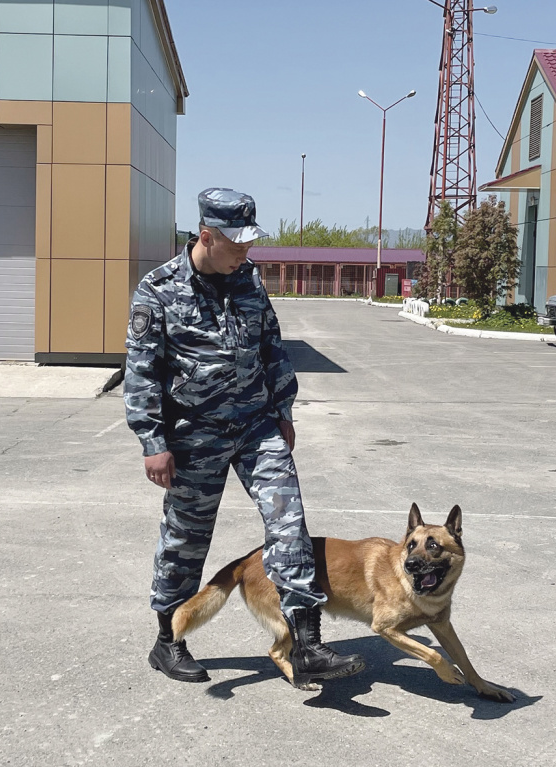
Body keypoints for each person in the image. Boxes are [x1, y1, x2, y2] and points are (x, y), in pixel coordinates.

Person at [123, 187, 365, 684]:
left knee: (289, 523)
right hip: (194, 434)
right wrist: (154, 442)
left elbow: (272, 344)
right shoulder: (159, 288)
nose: (245, 253)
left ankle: (306, 643)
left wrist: (283, 409)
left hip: (256, 425)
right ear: (206, 236)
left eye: (249, 243)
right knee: (186, 538)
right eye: (236, 244)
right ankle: (168, 641)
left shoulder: (248, 277)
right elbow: (142, 372)